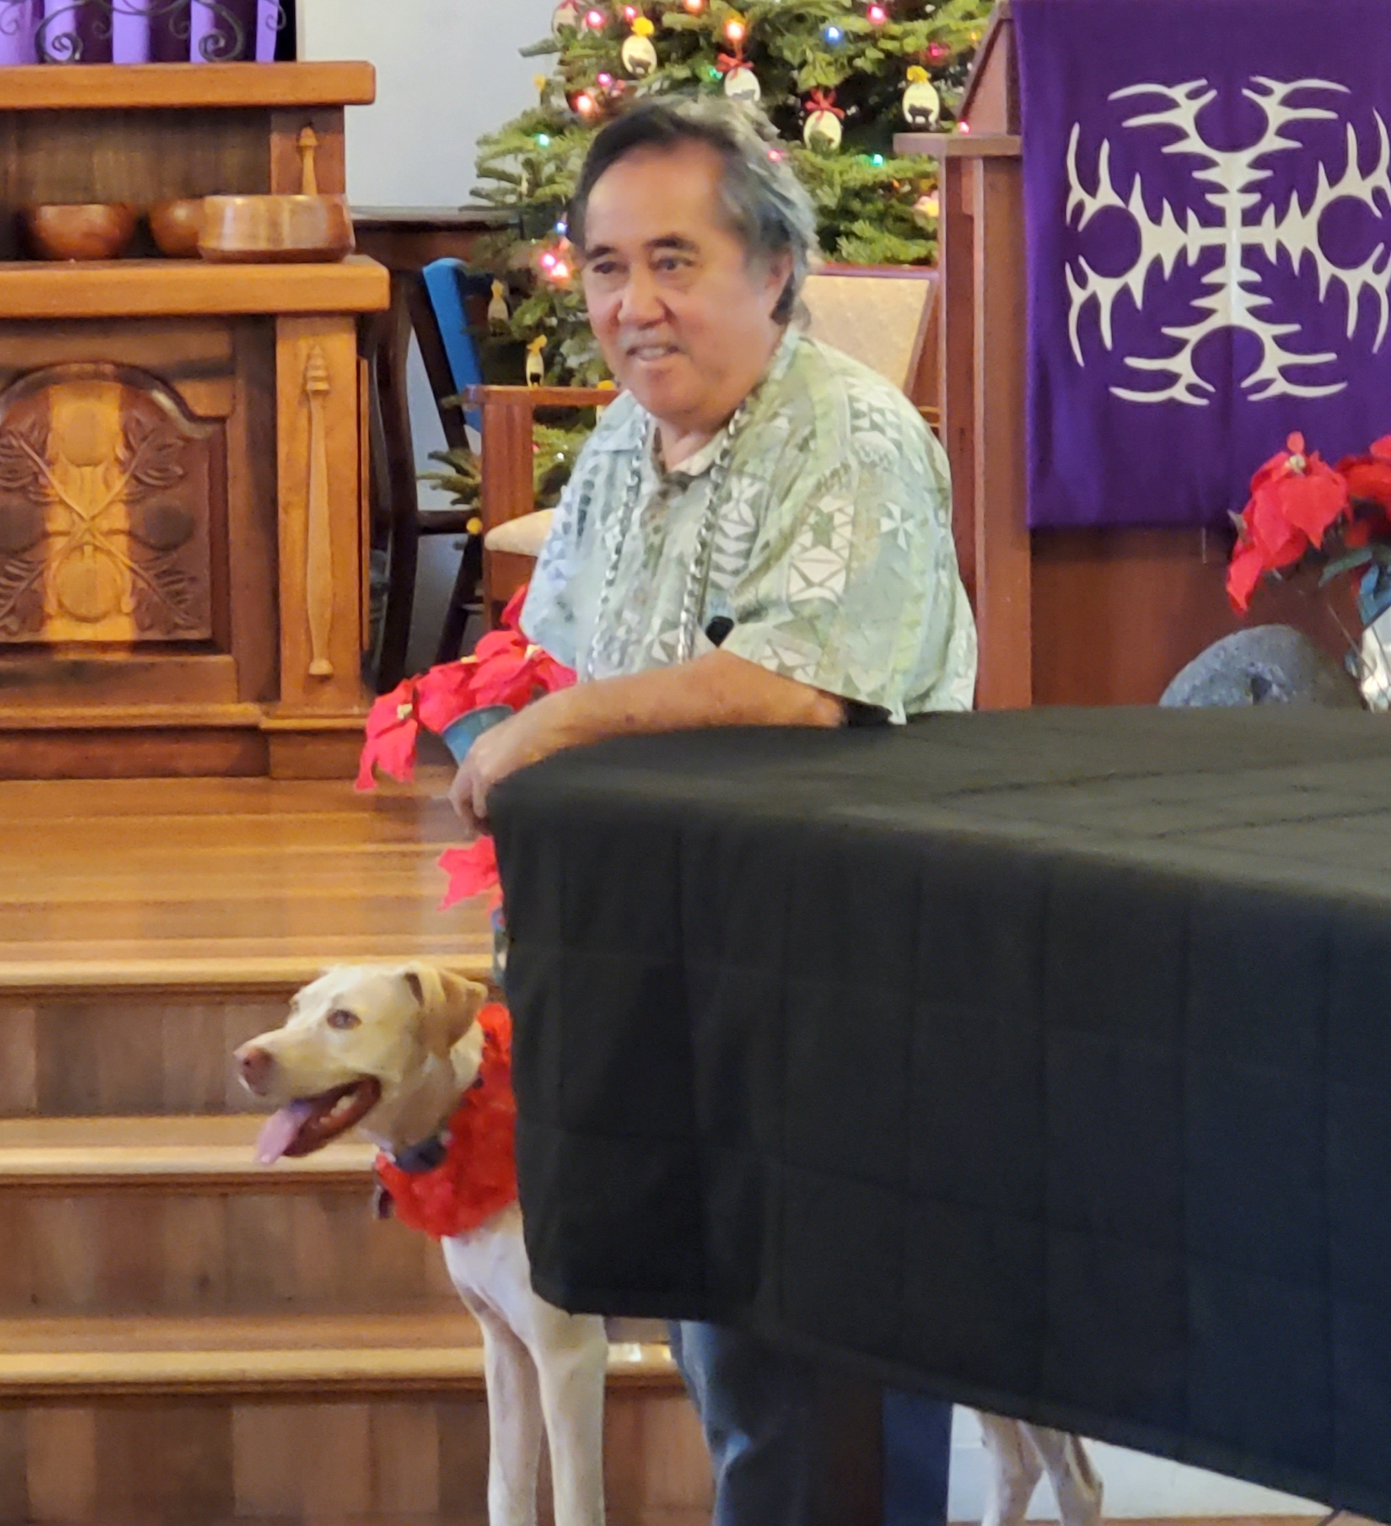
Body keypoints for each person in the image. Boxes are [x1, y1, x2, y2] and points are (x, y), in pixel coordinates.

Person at [446, 97, 976, 1526]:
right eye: (608, 268)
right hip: (680, 961)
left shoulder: (850, 435)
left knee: (821, 1390)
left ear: (776, 270)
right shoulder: (627, 441)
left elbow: (800, 686)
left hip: (837, 981)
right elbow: (572, 649)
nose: (636, 305)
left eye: (675, 260)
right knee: (727, 1360)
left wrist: (551, 729)